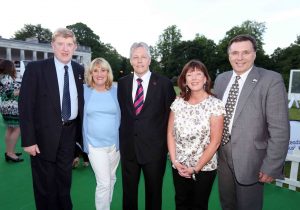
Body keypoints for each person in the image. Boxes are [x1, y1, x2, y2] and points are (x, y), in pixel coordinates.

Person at [213, 34, 290, 210]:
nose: (239, 58)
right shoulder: (221, 79)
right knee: (227, 204)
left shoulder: (271, 80)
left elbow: (280, 129)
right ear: (229, 55)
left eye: (245, 52)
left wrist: (272, 166)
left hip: (251, 161)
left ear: (254, 54)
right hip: (222, 157)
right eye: (235, 53)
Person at [18, 28, 84, 210]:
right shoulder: (36, 69)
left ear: (75, 47)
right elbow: (26, 106)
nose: (65, 48)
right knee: (44, 186)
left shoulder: (79, 70)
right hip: (42, 137)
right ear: (52, 46)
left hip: (69, 136)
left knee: (64, 183)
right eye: (61, 44)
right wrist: (29, 140)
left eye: (69, 44)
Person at [117, 42, 176, 210]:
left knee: (154, 194)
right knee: (129, 194)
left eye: (143, 57)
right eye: (135, 57)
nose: (139, 61)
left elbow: (172, 117)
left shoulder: (164, 84)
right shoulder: (122, 83)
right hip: (129, 149)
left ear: (150, 60)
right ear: (130, 60)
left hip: (155, 151)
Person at [167, 60, 225, 210]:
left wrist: (195, 168)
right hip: (179, 165)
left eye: (198, 74)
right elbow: (170, 133)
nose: (194, 78)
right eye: (189, 74)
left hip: (204, 168)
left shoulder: (215, 105)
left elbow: (215, 142)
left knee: (198, 205)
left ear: (205, 78)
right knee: (181, 203)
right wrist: (174, 161)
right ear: (185, 80)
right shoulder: (178, 103)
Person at [82, 57, 120, 210]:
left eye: (103, 70)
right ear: (90, 73)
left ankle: (106, 206)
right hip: (94, 146)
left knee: (112, 178)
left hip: (114, 145)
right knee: (104, 183)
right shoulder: (84, 91)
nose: (99, 74)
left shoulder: (116, 92)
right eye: (95, 70)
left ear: (108, 73)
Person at [0, 59, 23, 162]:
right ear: (10, 68)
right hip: (12, 108)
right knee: (18, 129)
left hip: (5, 107)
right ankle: (10, 153)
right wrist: (23, 89)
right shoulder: (8, 78)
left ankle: (9, 151)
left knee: (10, 129)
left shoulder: (2, 77)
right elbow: (10, 93)